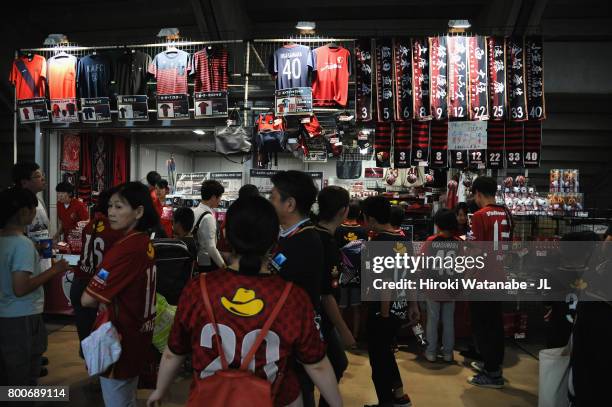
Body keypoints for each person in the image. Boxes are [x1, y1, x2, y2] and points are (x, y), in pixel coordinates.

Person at [146, 196, 342, 407]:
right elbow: (316, 363)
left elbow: (174, 351)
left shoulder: (198, 289)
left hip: (210, 398)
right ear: (274, 239)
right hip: (276, 399)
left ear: (225, 234)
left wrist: (160, 389)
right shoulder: (292, 297)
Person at [81, 182, 159, 406]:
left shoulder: (124, 250)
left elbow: (87, 299)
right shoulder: (144, 241)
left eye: (119, 207)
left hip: (120, 340)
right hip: (139, 334)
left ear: (139, 211)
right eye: (110, 206)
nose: (111, 212)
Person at [0, 187, 69, 386]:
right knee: (22, 375)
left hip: (7, 314)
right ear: (23, 212)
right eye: (33, 209)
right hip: (22, 316)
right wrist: (55, 271)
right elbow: (20, 288)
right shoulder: (22, 244)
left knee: (8, 372)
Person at [269, 170, 325, 407]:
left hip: (296, 337)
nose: (269, 202)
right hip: (288, 336)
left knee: (299, 389)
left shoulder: (304, 241)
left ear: (289, 204)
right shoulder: (291, 237)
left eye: (273, 197)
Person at [362, 195, 420, 407]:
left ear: (371, 219)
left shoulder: (377, 243)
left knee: (379, 361)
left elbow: (385, 282)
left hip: (383, 312)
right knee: (387, 355)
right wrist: (413, 305)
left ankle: (386, 402)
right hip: (400, 308)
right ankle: (399, 397)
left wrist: (383, 316)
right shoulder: (404, 239)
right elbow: (411, 275)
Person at [467, 176, 512, 389]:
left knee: (482, 325)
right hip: (500, 275)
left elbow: (476, 251)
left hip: (482, 278)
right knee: (494, 323)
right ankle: (492, 365)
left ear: (478, 193)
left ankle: (492, 374)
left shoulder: (479, 215)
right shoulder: (506, 213)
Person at [314, 186, 355, 407]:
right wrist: (345, 330)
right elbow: (326, 294)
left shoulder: (312, 233)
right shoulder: (325, 241)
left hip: (314, 319)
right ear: (343, 210)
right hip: (319, 320)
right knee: (337, 363)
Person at [70, 187, 123, 357]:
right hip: (96, 288)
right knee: (102, 342)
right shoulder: (115, 229)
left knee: (88, 340)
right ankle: (101, 380)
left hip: (79, 283)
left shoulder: (92, 224)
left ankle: (94, 374)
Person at [12, 162, 53, 374]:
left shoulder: (38, 199)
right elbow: (21, 288)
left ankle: (34, 357)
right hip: (30, 259)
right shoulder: (17, 242)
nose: (42, 179)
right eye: (37, 176)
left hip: (39, 257)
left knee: (37, 313)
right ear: (24, 182)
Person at [421, 208, 461, 363]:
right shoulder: (458, 243)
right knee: (449, 322)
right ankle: (448, 353)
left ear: (437, 224)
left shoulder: (431, 241)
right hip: (451, 289)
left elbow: (422, 264)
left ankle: (431, 352)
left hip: (433, 288)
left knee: (432, 320)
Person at [335, 199, 368, 341]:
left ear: (345, 211)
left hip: (341, 272)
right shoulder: (362, 231)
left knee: (340, 308)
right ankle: (354, 336)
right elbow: (365, 253)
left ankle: (338, 336)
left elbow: (334, 251)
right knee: (356, 308)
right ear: (360, 212)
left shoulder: (338, 229)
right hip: (357, 273)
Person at [192, 180, 226, 273]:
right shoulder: (208, 217)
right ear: (214, 197)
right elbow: (211, 247)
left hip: (198, 259)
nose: (220, 200)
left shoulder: (195, 211)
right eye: (220, 197)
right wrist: (223, 265)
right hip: (208, 262)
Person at [218, 184, 260, 258]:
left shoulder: (232, 212)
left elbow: (223, 234)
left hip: (233, 257)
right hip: (254, 258)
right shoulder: (260, 215)